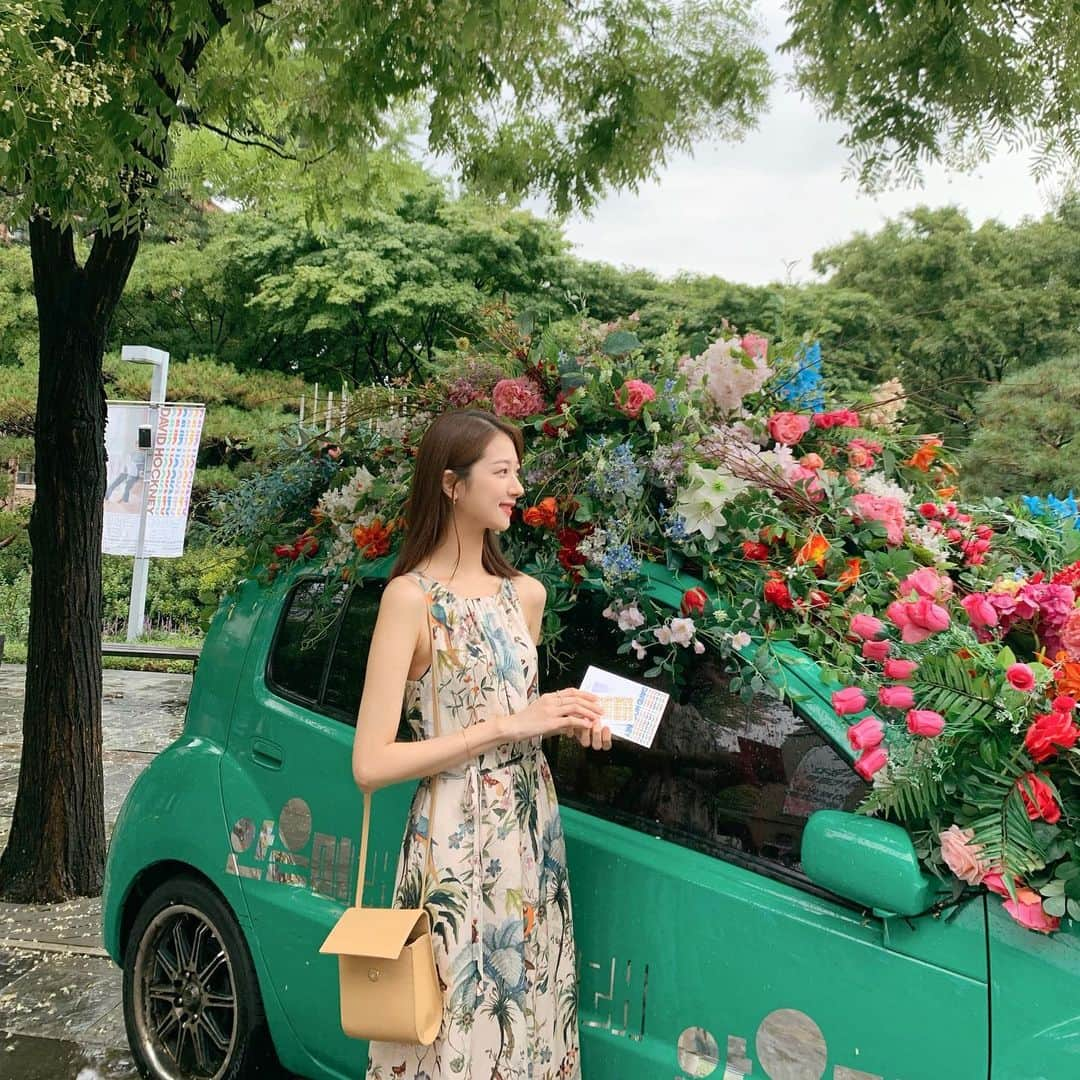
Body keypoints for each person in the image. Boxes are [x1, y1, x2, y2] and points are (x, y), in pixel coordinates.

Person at [352, 408, 611, 1080]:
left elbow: (520, 712)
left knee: (529, 1019)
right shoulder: (408, 601)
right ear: (451, 484)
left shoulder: (525, 595)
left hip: (530, 834)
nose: (517, 486)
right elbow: (370, 764)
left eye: (518, 472)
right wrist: (506, 726)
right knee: (454, 1029)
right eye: (502, 472)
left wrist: (575, 718)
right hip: (452, 839)